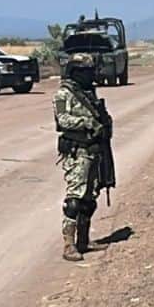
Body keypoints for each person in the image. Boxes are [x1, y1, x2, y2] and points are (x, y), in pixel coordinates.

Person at [54, 53, 113, 262]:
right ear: (76, 72)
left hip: (93, 151)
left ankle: (84, 240)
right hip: (77, 152)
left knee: (89, 200)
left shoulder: (88, 93)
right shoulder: (63, 94)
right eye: (86, 72)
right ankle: (68, 245)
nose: (91, 76)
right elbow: (62, 120)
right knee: (74, 201)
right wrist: (87, 123)